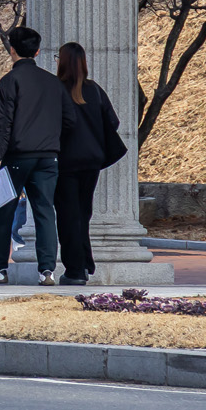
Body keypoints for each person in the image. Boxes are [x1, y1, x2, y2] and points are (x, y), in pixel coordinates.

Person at [0, 25, 71, 285]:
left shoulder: (9, 82)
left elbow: (1, 126)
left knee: (4, 211)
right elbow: (69, 120)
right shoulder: (54, 83)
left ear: (12, 49)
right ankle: (47, 270)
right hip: (49, 157)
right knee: (44, 211)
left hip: (17, 157)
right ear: (38, 51)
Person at [54, 40, 125, 287]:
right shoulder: (94, 90)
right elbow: (113, 123)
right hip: (92, 162)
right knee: (83, 213)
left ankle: (74, 269)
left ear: (62, 62)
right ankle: (84, 264)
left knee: (67, 215)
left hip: (65, 163)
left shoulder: (57, 90)